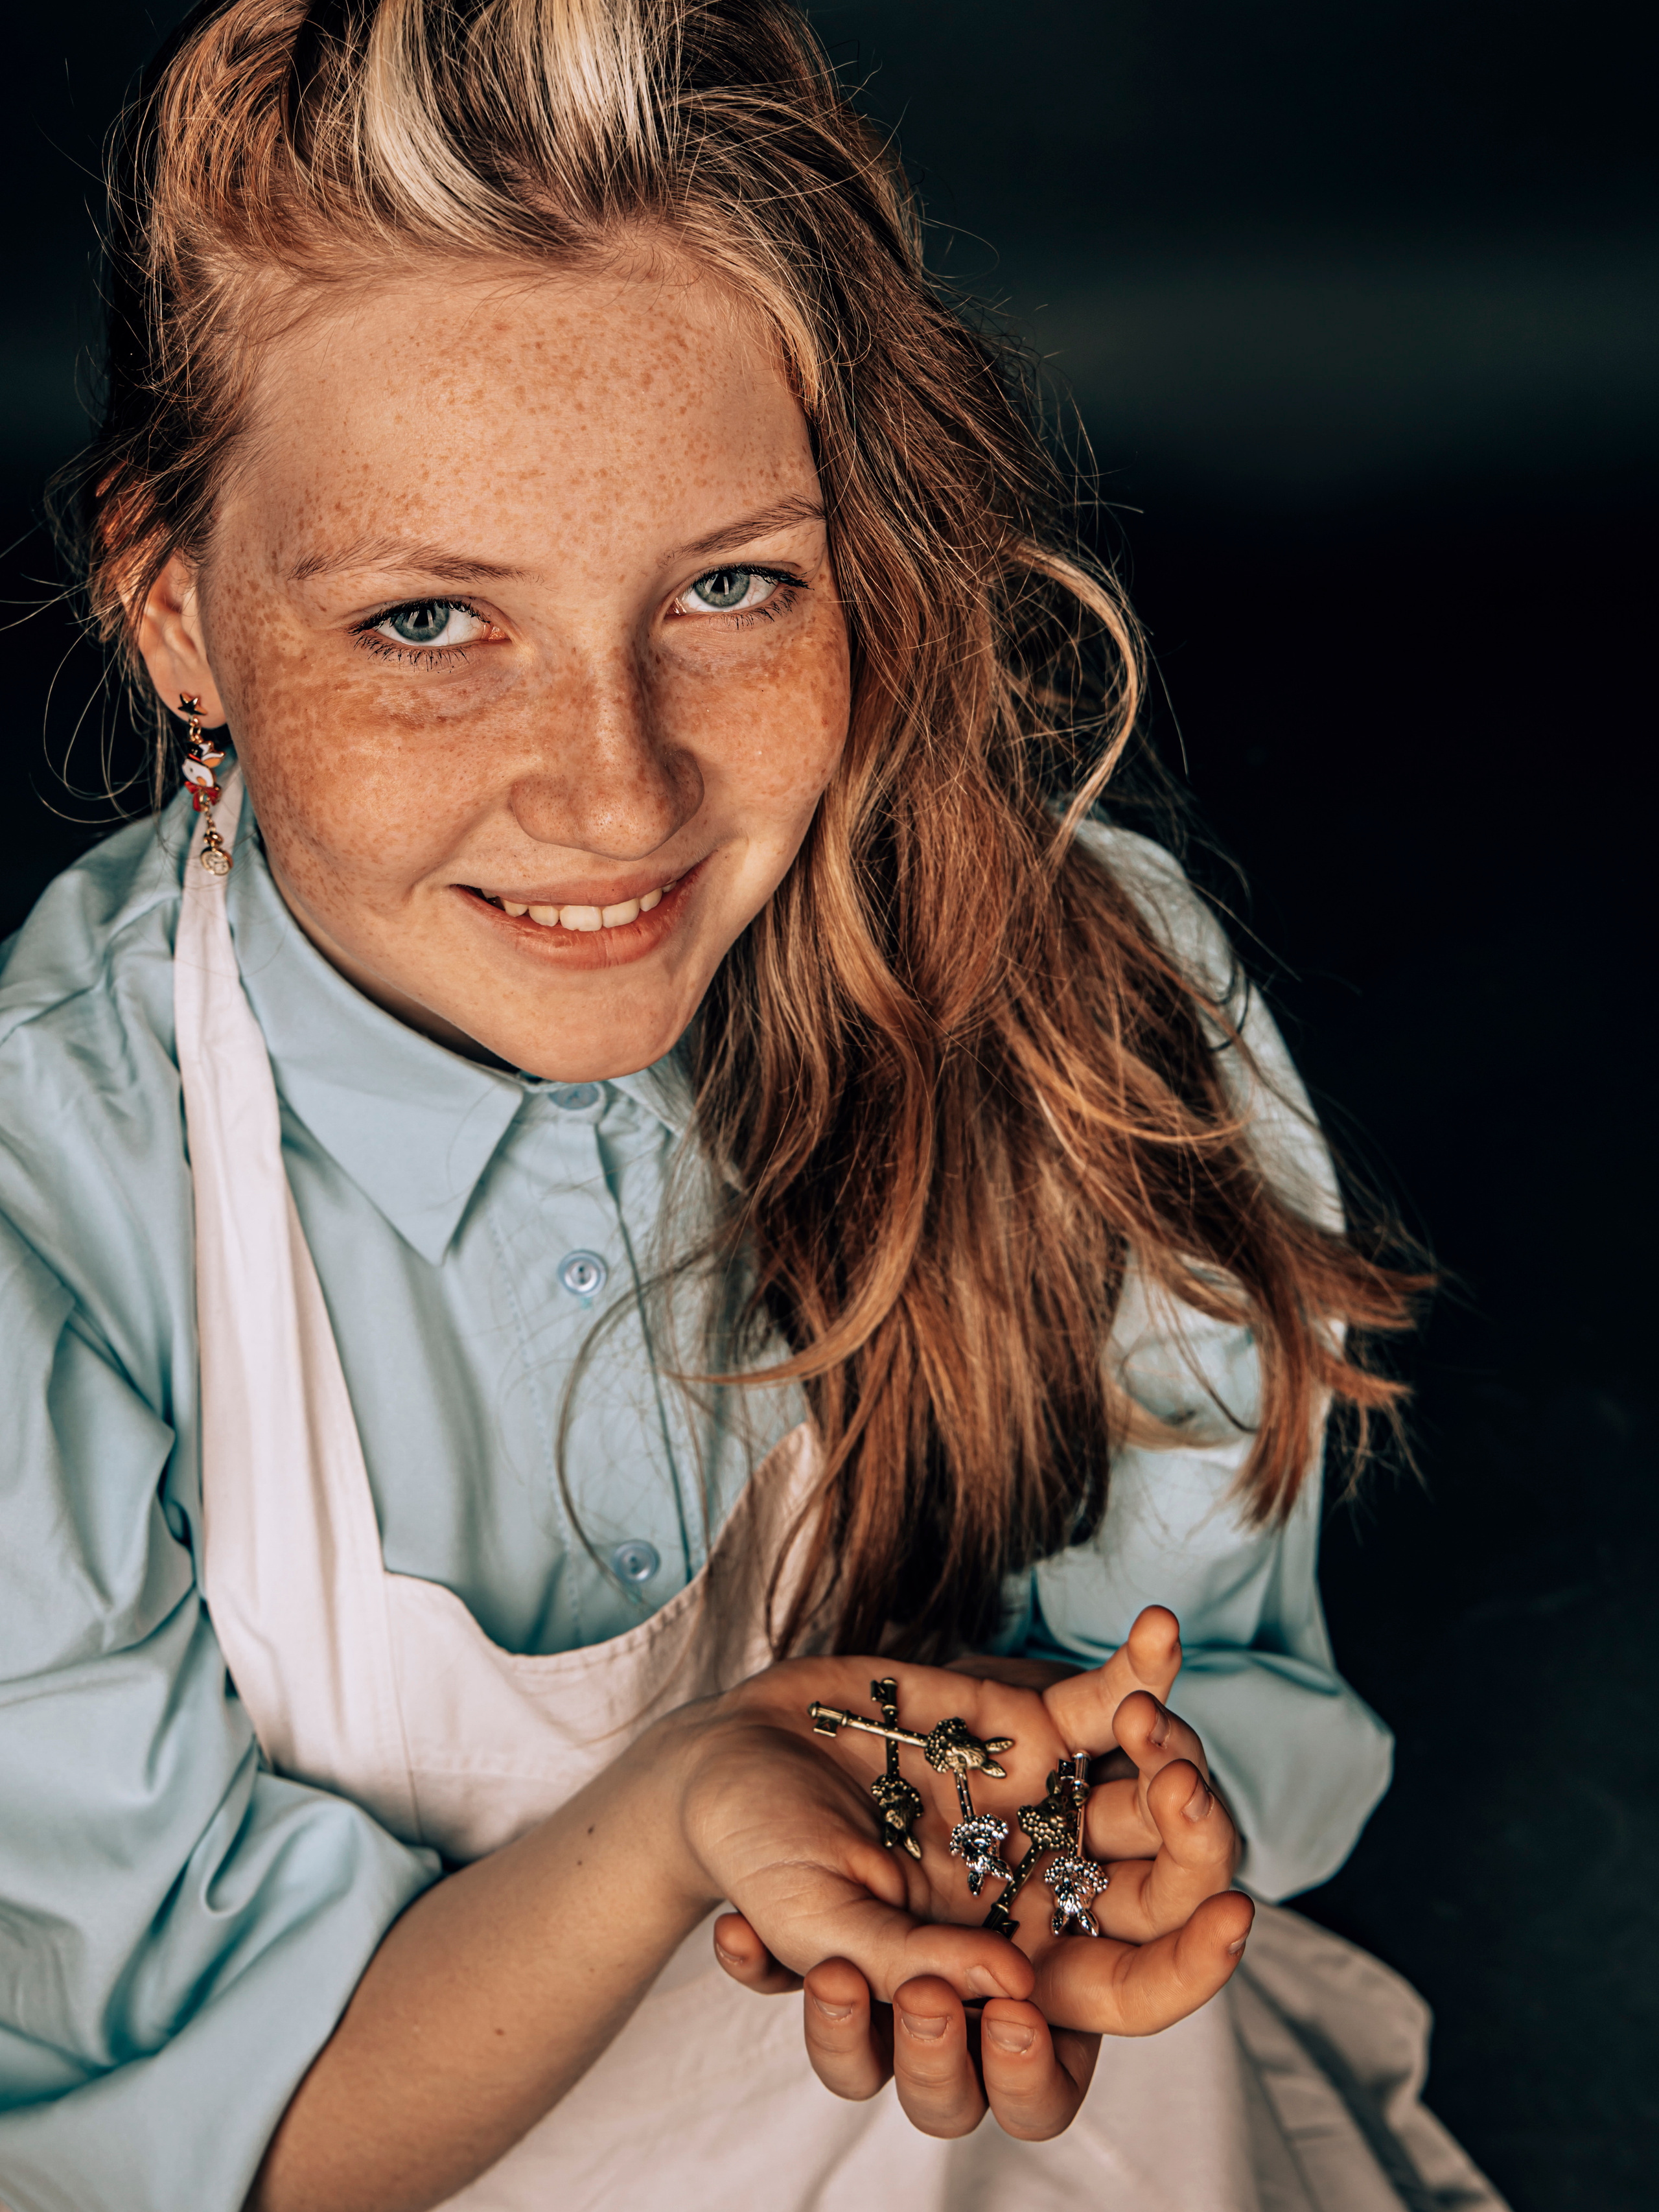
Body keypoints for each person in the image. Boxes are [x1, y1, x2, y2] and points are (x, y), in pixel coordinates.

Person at [0, 3, 1509, 2208]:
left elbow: (1182, 1692)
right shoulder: (53, 1214)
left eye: (728, 587)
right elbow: (205, 2147)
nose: (618, 791)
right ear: (178, 614)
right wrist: (698, 1804)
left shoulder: (1088, 992)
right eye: (430, 619)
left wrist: (1069, 1833)